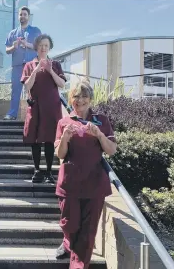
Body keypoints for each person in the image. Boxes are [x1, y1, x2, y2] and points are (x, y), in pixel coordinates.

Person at [54, 79, 117, 268]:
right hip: (70, 183)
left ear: (90, 98)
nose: (80, 100)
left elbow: (111, 150)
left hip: (94, 184)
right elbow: (60, 154)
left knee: (88, 232)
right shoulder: (64, 122)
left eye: (84, 96)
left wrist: (99, 134)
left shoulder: (101, 120)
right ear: (70, 99)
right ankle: (67, 242)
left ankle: (78, 265)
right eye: (76, 96)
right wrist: (65, 138)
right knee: (69, 224)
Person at [20, 34, 66, 184]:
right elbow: (27, 86)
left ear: (49, 47)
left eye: (46, 45)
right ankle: (37, 170)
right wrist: (37, 69)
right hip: (35, 106)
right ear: (36, 47)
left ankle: (48, 172)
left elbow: (61, 84)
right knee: (34, 139)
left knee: (49, 139)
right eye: (41, 45)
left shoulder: (56, 64)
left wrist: (50, 70)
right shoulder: (28, 65)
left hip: (52, 107)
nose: (43, 48)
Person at [3, 6, 41, 120]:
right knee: (15, 90)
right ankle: (12, 114)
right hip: (17, 65)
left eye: (25, 14)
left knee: (34, 89)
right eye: (20, 14)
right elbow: (7, 50)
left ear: (28, 17)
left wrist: (27, 44)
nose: (22, 16)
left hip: (32, 65)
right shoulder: (12, 33)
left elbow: (40, 46)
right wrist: (13, 47)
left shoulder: (36, 31)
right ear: (18, 16)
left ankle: (36, 114)